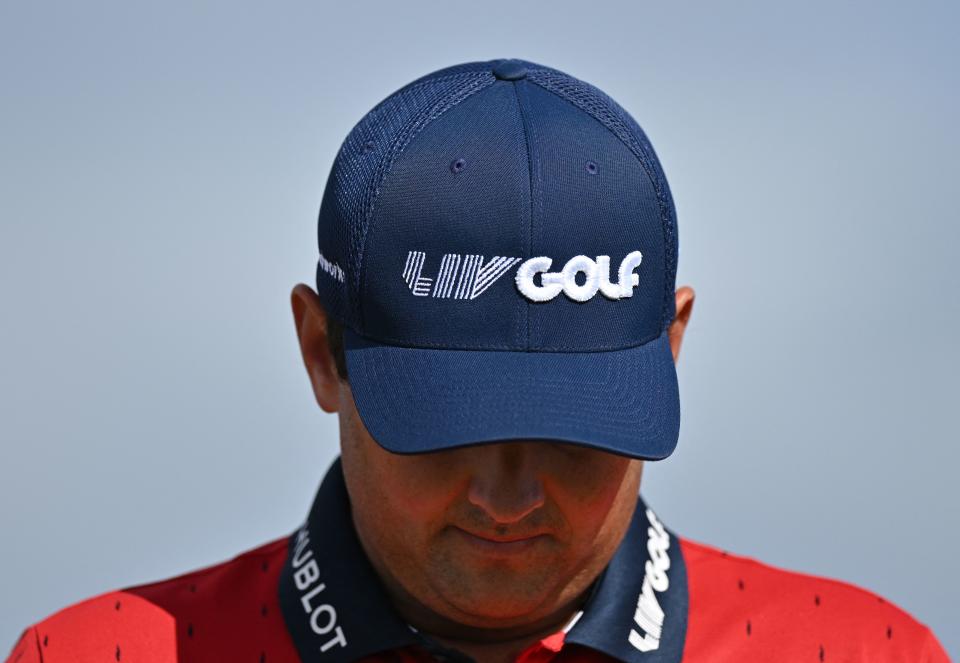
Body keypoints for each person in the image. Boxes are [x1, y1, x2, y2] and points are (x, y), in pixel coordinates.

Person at [4, 58, 949, 663]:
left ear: (670, 347)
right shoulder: (94, 656)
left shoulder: (865, 653)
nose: (507, 494)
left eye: (572, 429)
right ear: (322, 352)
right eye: (449, 429)